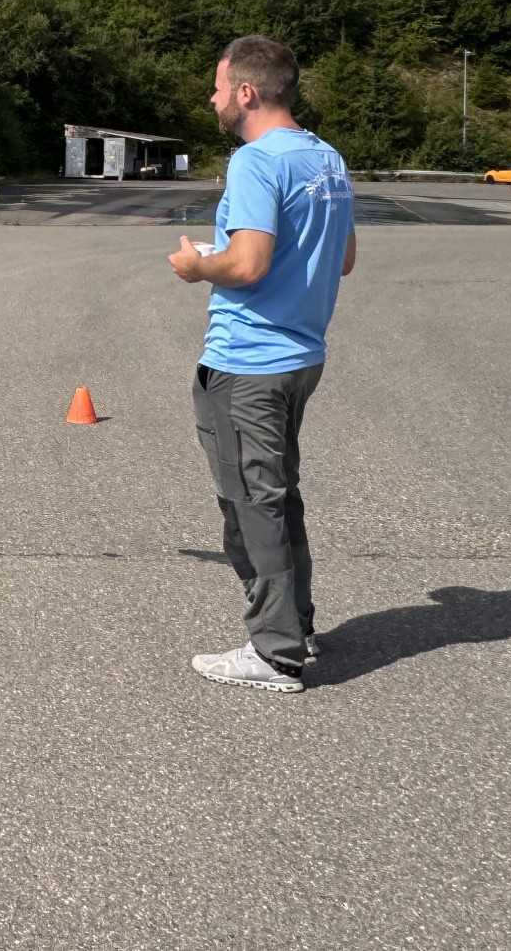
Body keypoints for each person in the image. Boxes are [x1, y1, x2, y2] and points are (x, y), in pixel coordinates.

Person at [168, 35, 356, 694]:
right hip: (302, 354)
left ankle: (273, 653)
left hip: (249, 359)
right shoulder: (326, 160)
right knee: (278, 494)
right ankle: (296, 625)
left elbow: (245, 264)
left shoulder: (256, 162)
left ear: (246, 92)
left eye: (219, 87)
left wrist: (197, 267)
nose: (213, 98)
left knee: (251, 502)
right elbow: (346, 257)